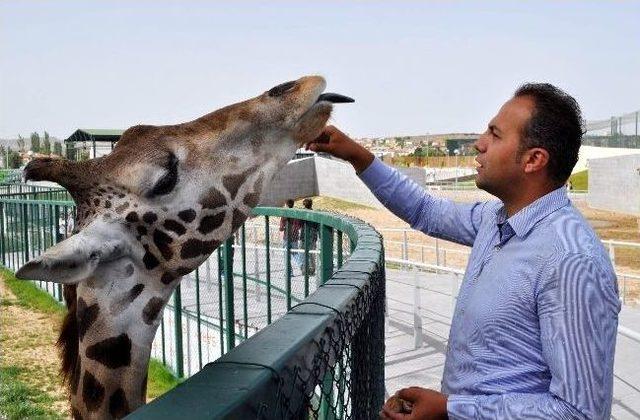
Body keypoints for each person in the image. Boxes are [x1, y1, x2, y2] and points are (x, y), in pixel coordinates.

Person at [307, 84, 620, 419]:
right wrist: (356, 154)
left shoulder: (571, 261)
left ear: (533, 160)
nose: (479, 143)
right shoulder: (495, 219)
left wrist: (451, 410)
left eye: (495, 135)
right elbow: (424, 210)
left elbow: (579, 412)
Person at [279, 199, 301, 275]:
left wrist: (282, 228)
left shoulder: (284, 214)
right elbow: (299, 225)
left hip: (287, 237)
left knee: (286, 255)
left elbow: (281, 228)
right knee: (295, 253)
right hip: (295, 236)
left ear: (286, 205)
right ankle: (302, 265)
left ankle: (289, 272)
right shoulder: (296, 214)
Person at [299, 198, 318, 275]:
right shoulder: (315, 214)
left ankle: (305, 270)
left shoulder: (302, 213)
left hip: (304, 236)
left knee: (304, 253)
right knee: (311, 254)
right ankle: (311, 270)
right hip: (312, 237)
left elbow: (300, 224)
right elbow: (317, 226)